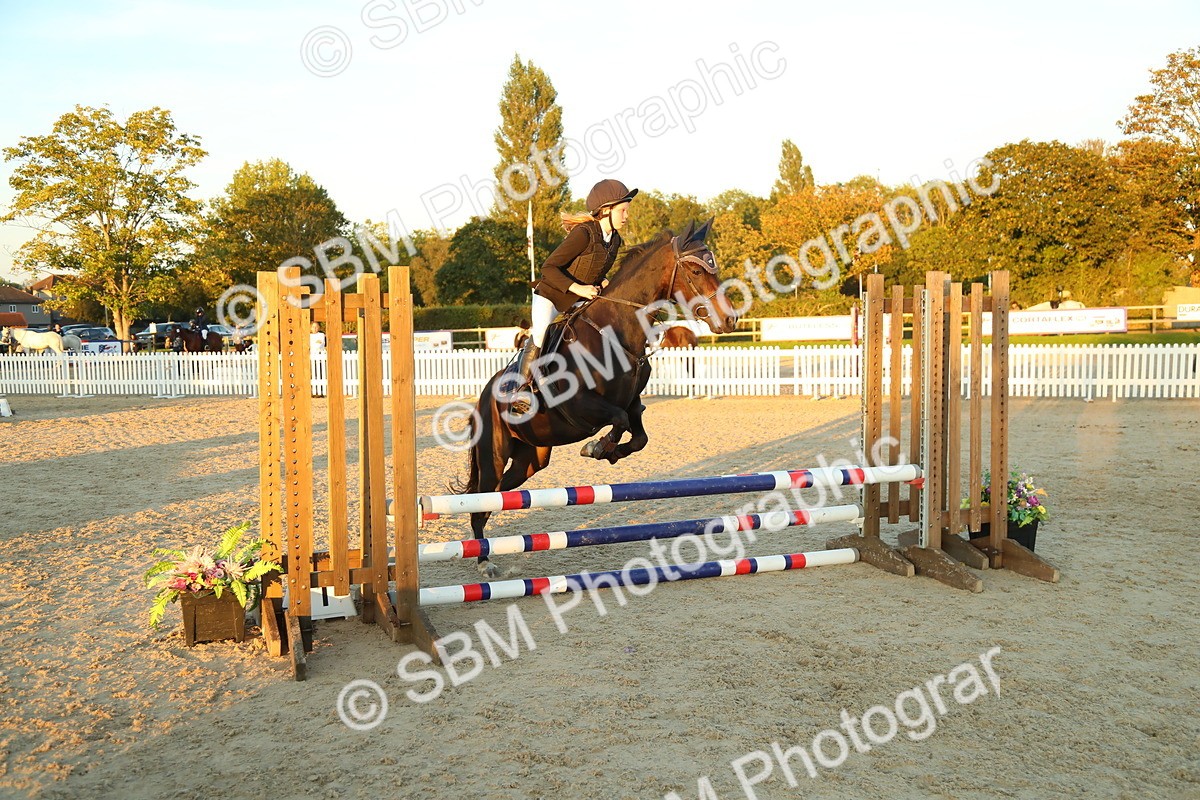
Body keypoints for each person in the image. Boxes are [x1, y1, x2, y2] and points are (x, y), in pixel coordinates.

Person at [514, 178, 638, 389]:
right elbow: (549, 267)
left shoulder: (615, 240)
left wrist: (604, 281)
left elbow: (594, 269)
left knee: (600, 328)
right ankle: (521, 388)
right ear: (606, 210)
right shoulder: (583, 234)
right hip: (551, 296)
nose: (626, 216)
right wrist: (579, 288)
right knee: (542, 333)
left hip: (579, 299)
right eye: (623, 211)